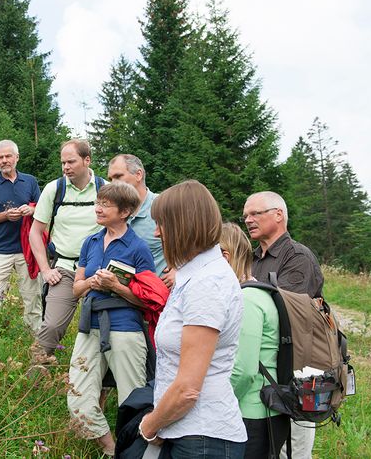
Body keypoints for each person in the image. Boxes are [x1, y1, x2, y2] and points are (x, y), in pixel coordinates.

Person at [139, 180, 246, 459]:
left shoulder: (207, 284)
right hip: (187, 432)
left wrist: (150, 425)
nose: (157, 232)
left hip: (202, 438)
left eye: (162, 224)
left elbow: (187, 389)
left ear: (183, 226)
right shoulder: (196, 276)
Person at [68, 182, 156, 456]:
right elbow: (75, 288)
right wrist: (93, 282)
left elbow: (149, 300)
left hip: (126, 329)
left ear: (126, 211)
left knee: (133, 402)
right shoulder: (91, 241)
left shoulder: (138, 248)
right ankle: (113, 450)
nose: (98, 208)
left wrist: (117, 287)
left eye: (105, 204)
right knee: (78, 398)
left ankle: (137, 453)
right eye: (98, 202)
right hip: (89, 326)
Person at [243, 191, 324, 458]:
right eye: (245, 215)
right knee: (269, 449)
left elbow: (288, 310)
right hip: (264, 369)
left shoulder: (298, 256)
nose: (248, 220)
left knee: (294, 449)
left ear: (278, 215)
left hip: (297, 371)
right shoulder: (252, 259)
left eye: (256, 213)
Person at [29, 139, 105, 358]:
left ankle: (101, 383)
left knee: (104, 330)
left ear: (87, 160)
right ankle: (35, 377)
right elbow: (35, 232)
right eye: (63, 163)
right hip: (63, 268)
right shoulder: (55, 189)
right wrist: (45, 270)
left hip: (97, 271)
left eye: (71, 161)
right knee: (51, 326)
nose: (66, 167)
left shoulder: (105, 189)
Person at [222, 222, 290, 459]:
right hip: (263, 408)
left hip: (252, 410)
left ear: (225, 256)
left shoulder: (247, 299)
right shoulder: (258, 292)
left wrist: (215, 406)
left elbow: (244, 369)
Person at [0, 140, 42, 334]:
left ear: (16, 157)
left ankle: (36, 345)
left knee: (33, 301)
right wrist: (5, 216)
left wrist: (31, 209)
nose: (4, 160)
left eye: (8, 156)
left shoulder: (29, 181)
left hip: (28, 251)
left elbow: (41, 209)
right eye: (0, 157)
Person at [106, 154, 168, 281]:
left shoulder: (163, 205)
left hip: (158, 292)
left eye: (118, 176)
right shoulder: (110, 213)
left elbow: (194, 243)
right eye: (110, 179)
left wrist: (178, 271)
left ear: (138, 175)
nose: (113, 183)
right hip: (121, 293)